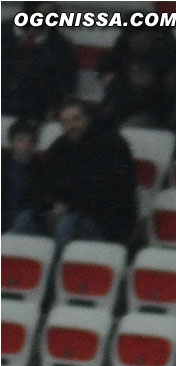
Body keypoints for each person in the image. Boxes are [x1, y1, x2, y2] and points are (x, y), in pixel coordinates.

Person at [10, 98, 138, 251]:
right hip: (67, 213)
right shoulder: (59, 147)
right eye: (65, 122)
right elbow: (43, 183)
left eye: (76, 119)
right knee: (25, 219)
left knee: (67, 225)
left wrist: (69, 208)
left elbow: (110, 193)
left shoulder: (112, 145)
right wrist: (48, 208)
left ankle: (54, 273)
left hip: (106, 222)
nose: (71, 126)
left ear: (87, 118)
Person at [1, 1, 77, 121]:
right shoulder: (5, 33)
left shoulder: (60, 47)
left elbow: (65, 82)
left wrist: (55, 106)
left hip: (35, 106)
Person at [97, 22, 176, 127]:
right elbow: (107, 67)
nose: (135, 39)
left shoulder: (165, 53)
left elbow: (158, 87)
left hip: (152, 111)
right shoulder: (121, 50)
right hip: (119, 106)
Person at [2, 118, 44, 233]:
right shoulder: (3, 165)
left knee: (25, 216)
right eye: (20, 140)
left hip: (27, 224)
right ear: (11, 142)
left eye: (30, 141)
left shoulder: (41, 169)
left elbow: (39, 206)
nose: (26, 145)